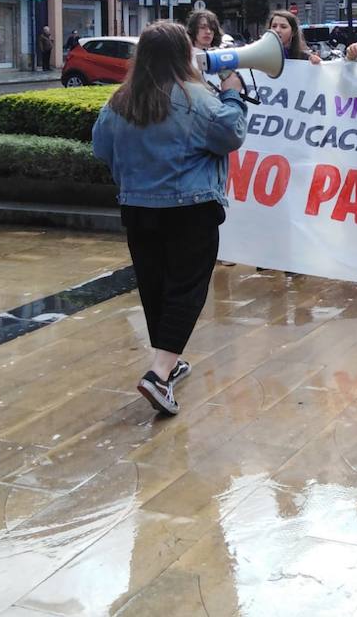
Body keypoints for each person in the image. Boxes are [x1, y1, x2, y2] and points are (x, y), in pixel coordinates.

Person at [91, 22, 247, 417]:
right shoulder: (196, 98)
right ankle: (159, 374)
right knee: (187, 289)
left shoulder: (121, 100)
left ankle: (169, 361)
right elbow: (231, 135)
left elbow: (100, 146)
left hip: (138, 209)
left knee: (155, 285)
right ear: (183, 54)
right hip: (191, 208)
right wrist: (233, 96)